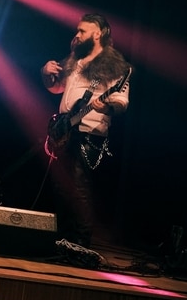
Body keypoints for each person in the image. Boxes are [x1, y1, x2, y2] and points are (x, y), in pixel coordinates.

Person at [40, 13, 131, 248]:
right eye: (77, 30)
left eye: (82, 31)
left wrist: (107, 106)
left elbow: (122, 102)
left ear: (97, 34)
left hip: (89, 133)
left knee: (79, 187)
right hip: (65, 131)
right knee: (61, 187)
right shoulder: (75, 60)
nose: (77, 35)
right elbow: (57, 89)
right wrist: (46, 75)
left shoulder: (113, 65)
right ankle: (64, 238)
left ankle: (81, 241)